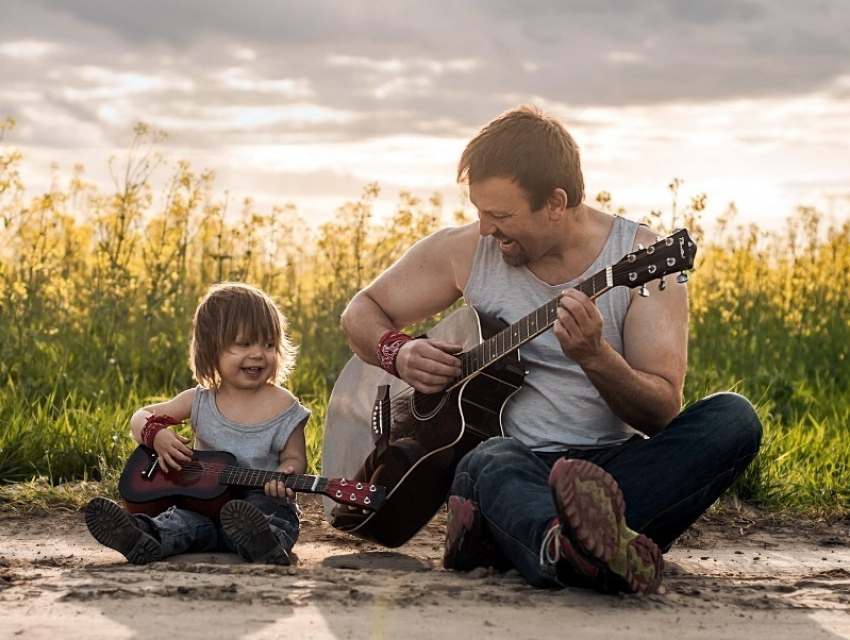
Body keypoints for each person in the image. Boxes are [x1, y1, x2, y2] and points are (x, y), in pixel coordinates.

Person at [339, 105, 762, 595]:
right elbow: (360, 312)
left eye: (501, 215)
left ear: (556, 202)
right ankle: (590, 548)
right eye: (479, 211)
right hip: (514, 464)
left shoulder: (641, 258)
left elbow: (661, 413)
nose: (485, 228)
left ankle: (550, 546)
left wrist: (596, 357)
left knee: (733, 419)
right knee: (489, 460)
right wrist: (398, 352)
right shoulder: (466, 251)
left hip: (610, 474)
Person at [85, 282, 310, 566]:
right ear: (211, 349)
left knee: (269, 518)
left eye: (268, 344)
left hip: (262, 499)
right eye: (244, 344)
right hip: (203, 505)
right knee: (179, 522)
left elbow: (295, 458)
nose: (258, 354)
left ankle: (263, 544)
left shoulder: (284, 405)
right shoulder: (200, 400)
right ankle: (140, 534)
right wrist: (156, 435)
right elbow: (140, 416)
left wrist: (286, 473)